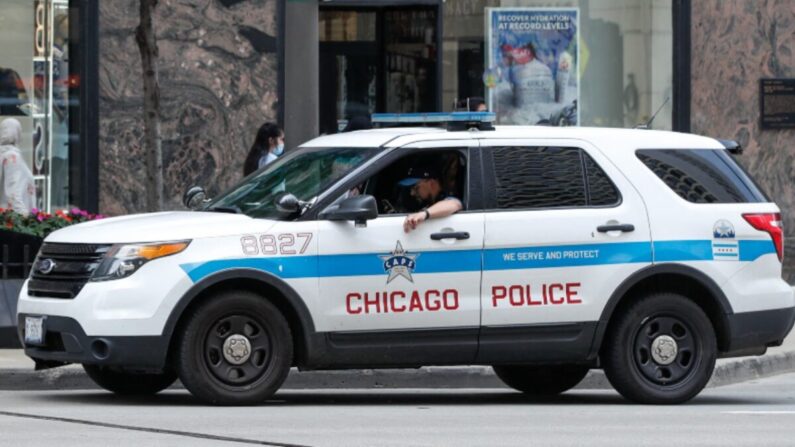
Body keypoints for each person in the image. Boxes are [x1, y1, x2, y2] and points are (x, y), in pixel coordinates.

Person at [400, 163, 463, 233]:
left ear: (431, 183)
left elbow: (455, 204)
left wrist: (423, 214)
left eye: (415, 187)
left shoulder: (446, 197)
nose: (412, 193)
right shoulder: (427, 201)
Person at [0, 118, 36, 215]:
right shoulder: (12, 157)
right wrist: (24, 215)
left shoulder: (4, 154)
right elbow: (14, 190)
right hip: (14, 219)